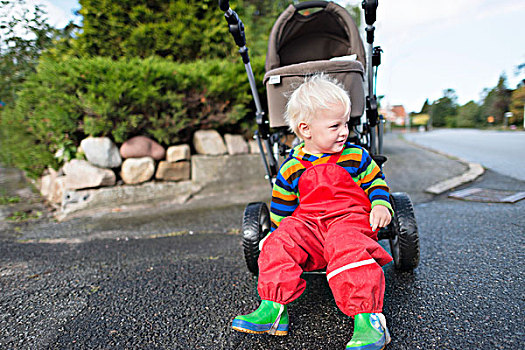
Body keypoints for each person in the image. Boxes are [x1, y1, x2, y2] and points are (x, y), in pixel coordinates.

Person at [232, 74, 393, 349]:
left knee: (346, 244)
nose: (344, 131)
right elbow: (282, 207)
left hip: (349, 220)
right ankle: (273, 308)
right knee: (279, 240)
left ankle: (369, 317)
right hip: (310, 226)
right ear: (306, 130)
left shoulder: (355, 156)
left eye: (346, 124)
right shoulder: (292, 167)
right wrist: (277, 235)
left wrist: (380, 204)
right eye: (335, 126)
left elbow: (375, 181)